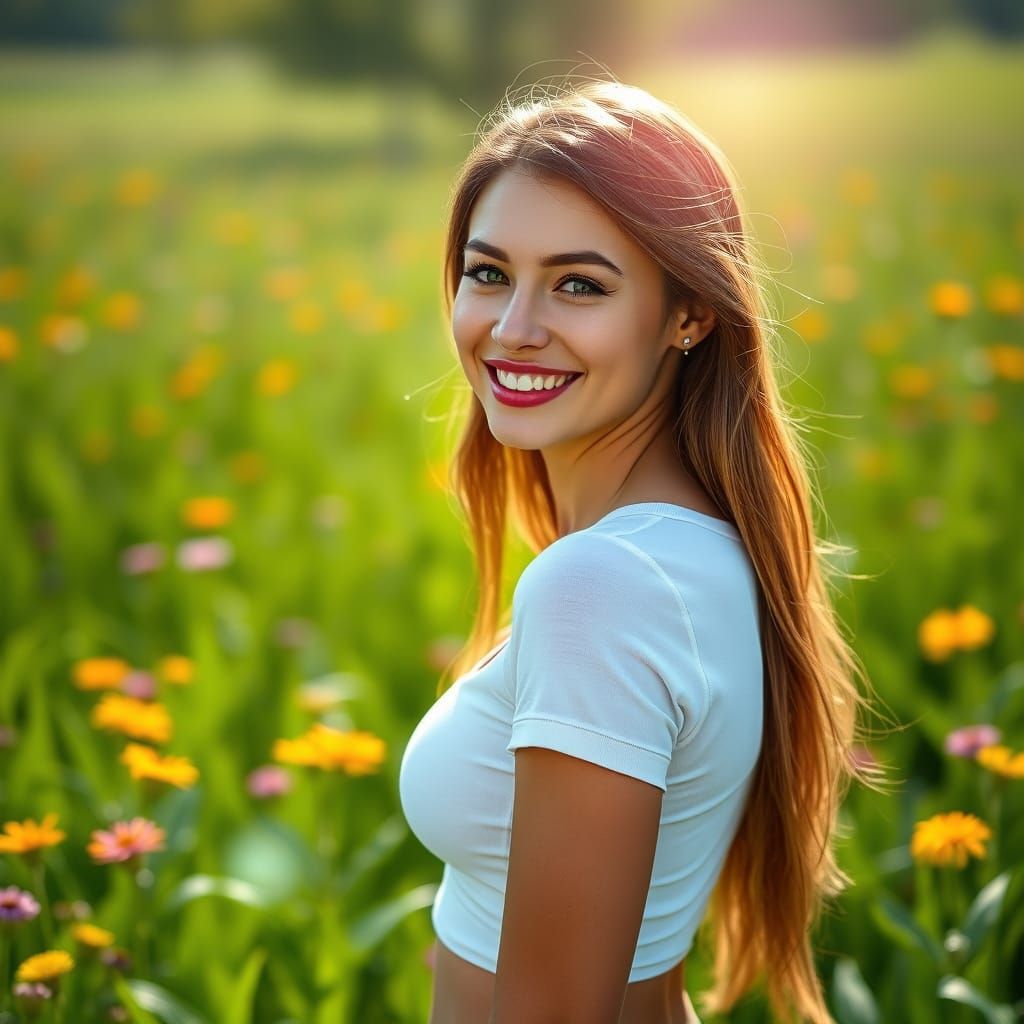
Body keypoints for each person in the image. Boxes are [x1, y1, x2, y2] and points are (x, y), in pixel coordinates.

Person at [399, 76, 886, 1024]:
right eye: (488, 272)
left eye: (579, 284)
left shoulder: (606, 586)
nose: (513, 328)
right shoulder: (681, 552)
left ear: (689, 314)